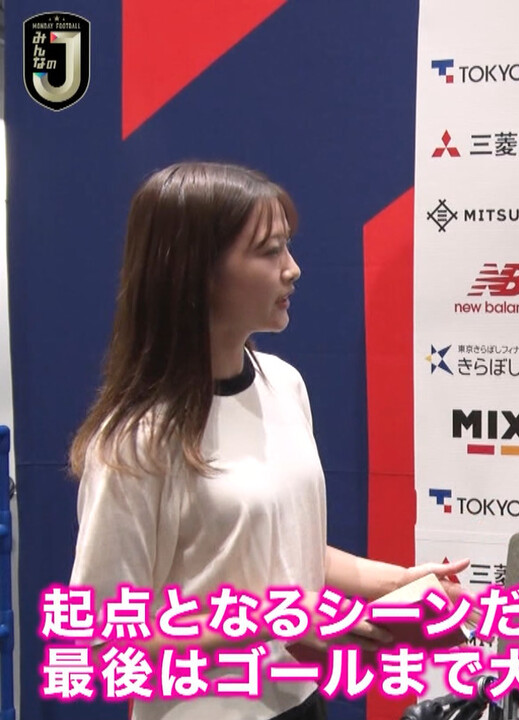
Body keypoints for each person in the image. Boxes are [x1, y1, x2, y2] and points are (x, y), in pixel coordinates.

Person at [67, 162, 469, 720]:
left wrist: (397, 583)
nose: (292, 269)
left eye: (288, 246)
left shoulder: (283, 384)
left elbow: (281, 547)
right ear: (196, 271)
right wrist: (267, 620)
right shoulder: (135, 442)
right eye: (269, 251)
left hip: (301, 703)